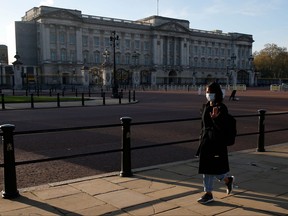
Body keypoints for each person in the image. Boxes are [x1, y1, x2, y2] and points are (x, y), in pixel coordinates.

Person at [196, 82, 234, 204]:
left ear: (216, 93)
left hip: (216, 142)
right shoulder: (206, 106)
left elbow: (222, 128)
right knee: (210, 168)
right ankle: (227, 180)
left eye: (210, 92)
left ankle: (208, 194)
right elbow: (203, 126)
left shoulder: (221, 108)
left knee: (209, 168)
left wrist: (216, 119)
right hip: (206, 140)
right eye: (207, 92)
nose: (208, 94)